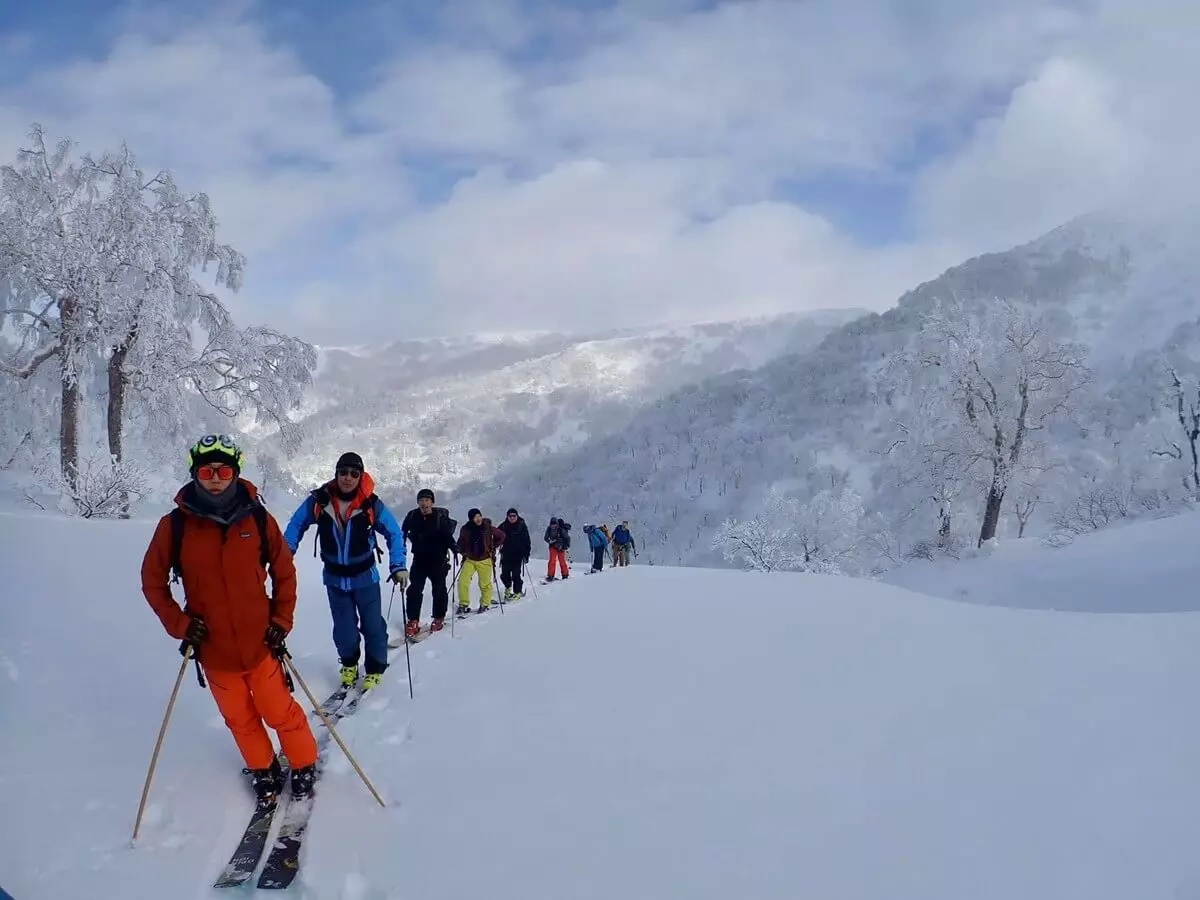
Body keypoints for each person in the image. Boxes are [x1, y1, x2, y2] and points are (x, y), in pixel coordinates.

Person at [141, 434, 319, 802]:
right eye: (206, 471)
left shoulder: (257, 518)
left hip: (260, 642)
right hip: (214, 648)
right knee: (239, 718)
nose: (215, 478)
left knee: (279, 711)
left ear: (236, 473)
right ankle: (263, 768)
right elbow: (152, 582)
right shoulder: (175, 526)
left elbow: (284, 571)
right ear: (195, 474)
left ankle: (304, 763)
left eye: (224, 471)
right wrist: (181, 626)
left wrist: (281, 621)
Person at [284, 452, 407, 691]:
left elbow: (394, 533)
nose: (348, 478)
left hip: (365, 578)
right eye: (343, 472)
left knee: (373, 626)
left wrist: (398, 565)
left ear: (360, 476)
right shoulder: (320, 501)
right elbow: (296, 524)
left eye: (354, 473)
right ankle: (349, 665)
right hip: (335, 579)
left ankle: (374, 668)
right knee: (344, 630)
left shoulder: (370, 503)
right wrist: (286, 551)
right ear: (336, 474)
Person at [400, 488, 458, 638]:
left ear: (432, 502)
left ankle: (438, 618)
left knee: (439, 590)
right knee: (414, 590)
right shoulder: (412, 516)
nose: (424, 503)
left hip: (438, 560)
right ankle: (413, 620)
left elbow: (447, 536)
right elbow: (403, 532)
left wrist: (455, 548)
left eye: (427, 500)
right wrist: (400, 547)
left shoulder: (439, 518)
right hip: (419, 560)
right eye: (421, 500)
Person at [456, 508, 506, 615]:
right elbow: (461, 542)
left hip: (485, 559)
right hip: (470, 559)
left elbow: (502, 535)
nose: (478, 519)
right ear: (471, 519)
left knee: (484, 584)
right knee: (462, 581)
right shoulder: (465, 529)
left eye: (479, 516)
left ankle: (485, 604)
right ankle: (463, 604)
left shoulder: (487, 527)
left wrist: (493, 547)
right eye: (475, 517)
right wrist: (461, 551)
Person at [497, 507, 531, 600]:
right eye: (510, 516)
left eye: (514, 516)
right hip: (506, 554)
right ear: (507, 516)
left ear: (517, 516)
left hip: (518, 555)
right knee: (504, 575)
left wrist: (526, 554)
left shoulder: (522, 525)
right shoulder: (503, 526)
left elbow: (527, 541)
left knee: (516, 574)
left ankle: (517, 591)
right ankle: (508, 588)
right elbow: (496, 535)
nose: (512, 517)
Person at [544, 516, 571, 581]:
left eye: (554, 523)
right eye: (552, 524)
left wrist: (566, 546)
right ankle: (550, 575)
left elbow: (567, 538)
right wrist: (549, 541)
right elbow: (545, 537)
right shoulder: (548, 529)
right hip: (552, 546)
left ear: (557, 524)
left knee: (562, 561)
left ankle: (565, 575)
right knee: (552, 561)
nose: (553, 525)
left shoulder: (561, 530)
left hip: (561, 547)